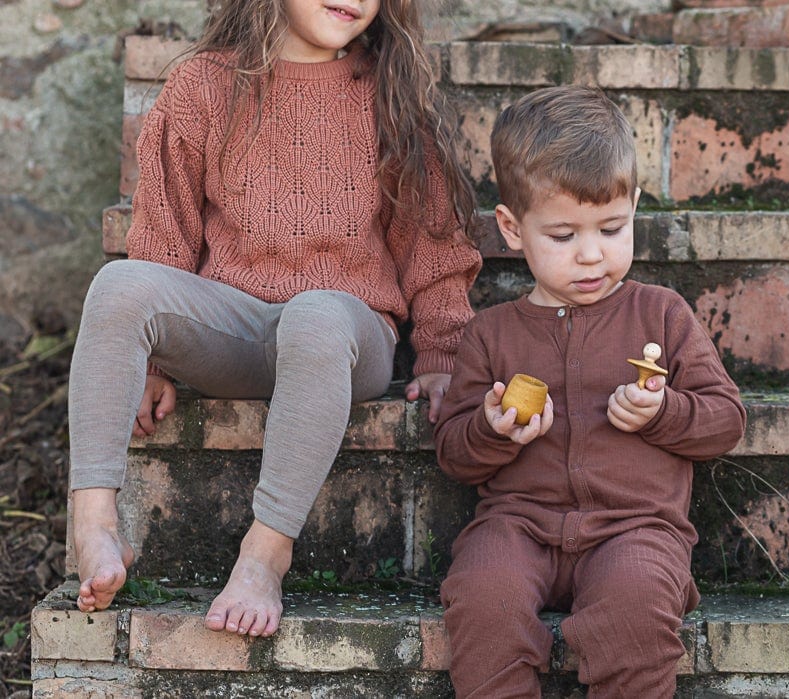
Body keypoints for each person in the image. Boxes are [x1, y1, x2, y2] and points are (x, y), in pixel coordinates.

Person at [68, 0, 482, 638]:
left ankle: (265, 554)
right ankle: (94, 523)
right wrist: (149, 361)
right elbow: (164, 231)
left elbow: (431, 240)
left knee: (314, 316)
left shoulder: (389, 92)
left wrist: (443, 352)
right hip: (236, 327)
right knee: (118, 284)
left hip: (347, 332)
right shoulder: (205, 85)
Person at [434, 85, 747, 697]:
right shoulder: (490, 333)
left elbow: (726, 420)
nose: (591, 256)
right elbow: (453, 453)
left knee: (636, 614)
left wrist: (663, 412)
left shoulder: (662, 314)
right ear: (512, 228)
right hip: (517, 526)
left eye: (611, 228)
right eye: (562, 236)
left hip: (636, 529)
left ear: (634, 207)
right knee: (482, 600)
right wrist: (490, 430)